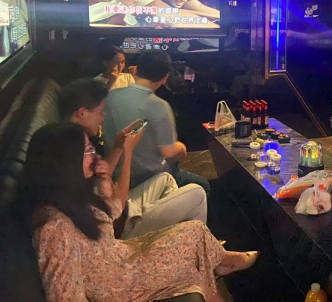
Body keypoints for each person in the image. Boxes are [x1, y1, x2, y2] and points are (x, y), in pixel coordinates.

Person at [17, 123, 258, 302]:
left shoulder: (70, 194)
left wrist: (104, 181)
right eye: (88, 150)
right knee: (193, 237)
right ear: (65, 161)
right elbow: (65, 296)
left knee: (194, 232)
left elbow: (113, 212)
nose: (95, 155)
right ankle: (221, 261)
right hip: (120, 281)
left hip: (121, 258)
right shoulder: (54, 228)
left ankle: (220, 261)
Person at [59, 78, 208, 239]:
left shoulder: (74, 137)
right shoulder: (74, 150)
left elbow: (102, 173)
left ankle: (176, 238)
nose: (103, 117)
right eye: (100, 111)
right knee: (198, 193)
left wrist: (118, 145)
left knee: (165, 179)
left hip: (122, 209)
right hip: (122, 225)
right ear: (82, 113)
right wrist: (128, 152)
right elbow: (118, 206)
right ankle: (196, 243)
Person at [103, 49, 212, 194]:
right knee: (203, 185)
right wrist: (181, 147)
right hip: (147, 176)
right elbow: (168, 151)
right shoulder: (159, 106)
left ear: (136, 69)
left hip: (115, 174)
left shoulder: (110, 96)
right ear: (165, 78)